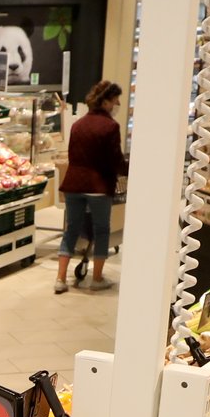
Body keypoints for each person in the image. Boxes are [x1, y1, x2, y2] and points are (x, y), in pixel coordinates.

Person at [57, 80, 128, 294]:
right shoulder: (110, 126)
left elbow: (72, 155)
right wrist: (127, 171)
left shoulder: (78, 124)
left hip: (74, 183)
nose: (117, 104)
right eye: (116, 100)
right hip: (98, 185)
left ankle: (60, 279)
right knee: (101, 230)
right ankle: (96, 278)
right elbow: (114, 159)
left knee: (71, 229)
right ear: (106, 102)